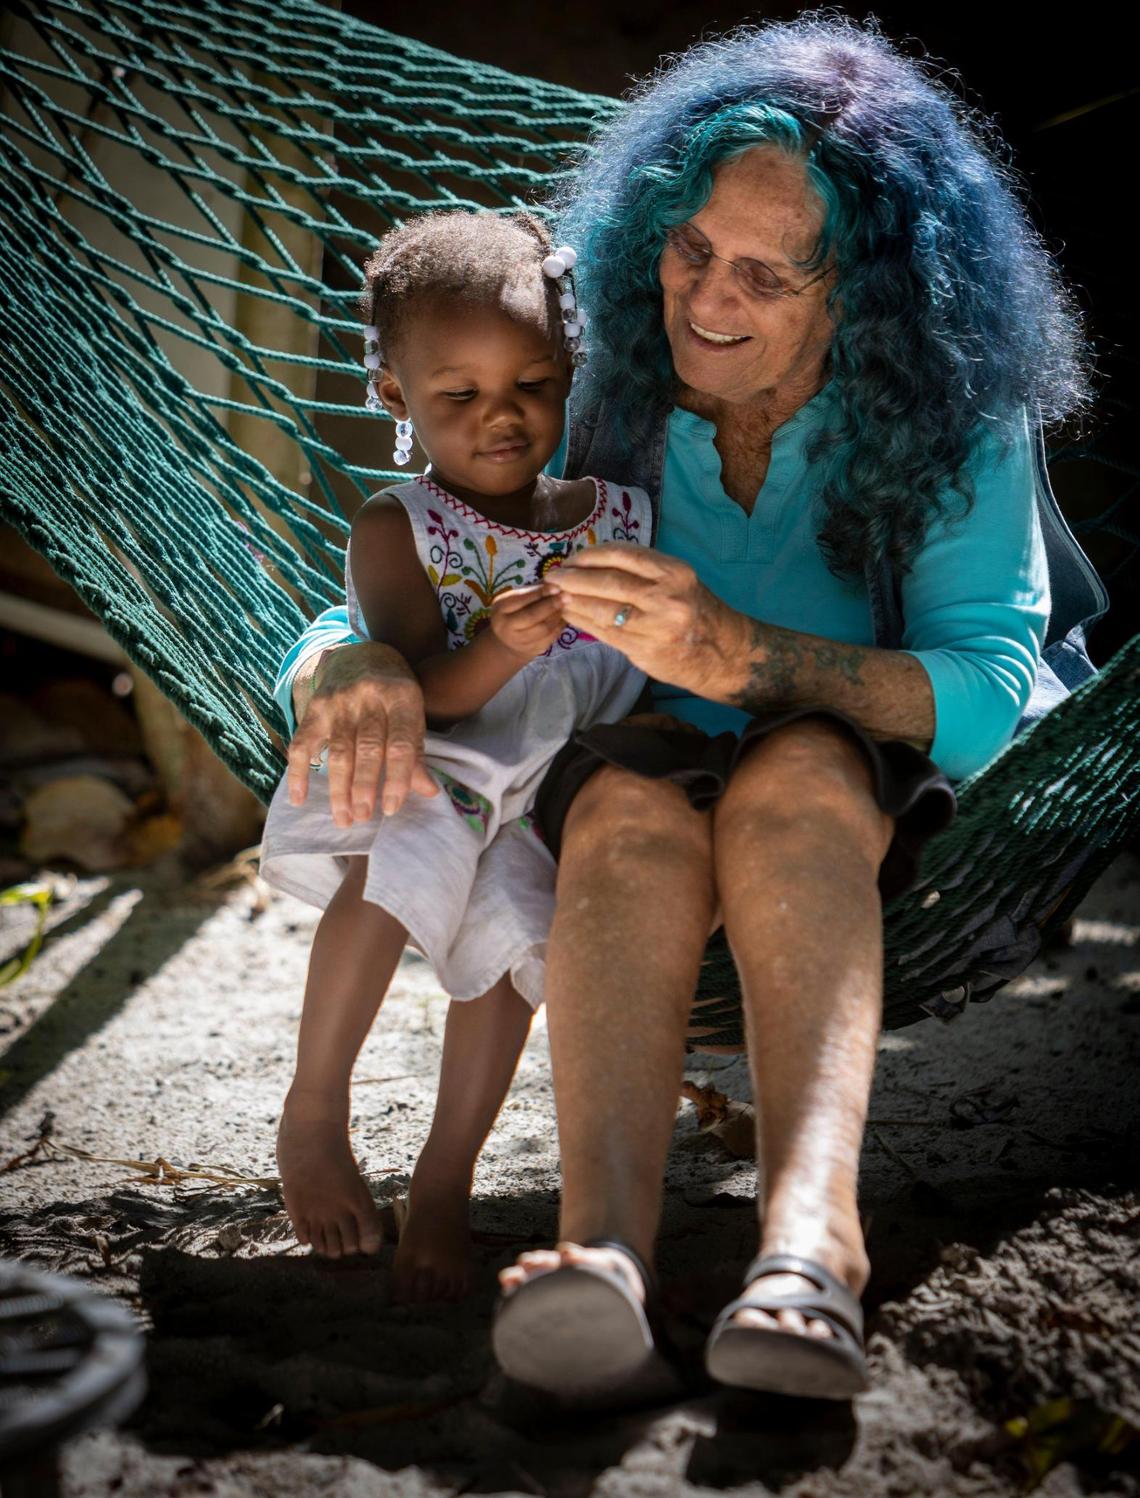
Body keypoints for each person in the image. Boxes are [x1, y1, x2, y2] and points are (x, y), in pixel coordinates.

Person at [277, 16, 1100, 1397]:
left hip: (859, 766)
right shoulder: (598, 375)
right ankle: (598, 1256)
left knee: (789, 786)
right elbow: (417, 566)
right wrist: (340, 666)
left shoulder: (954, 412)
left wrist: (749, 655)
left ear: (874, 292)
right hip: (631, 753)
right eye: (692, 247)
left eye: (771, 273)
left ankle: (808, 1247)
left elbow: (982, 693)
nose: (709, 299)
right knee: (620, 826)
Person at [260, 210, 652, 1305]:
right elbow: (417, 688)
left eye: (532, 383)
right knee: (403, 860)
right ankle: (314, 1108)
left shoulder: (621, 513)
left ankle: (444, 1181)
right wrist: (499, 650)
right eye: (460, 397)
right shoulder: (400, 527)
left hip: (560, 790)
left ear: (569, 370)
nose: (503, 418)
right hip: (441, 769)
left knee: (515, 940)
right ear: (395, 397)